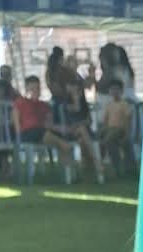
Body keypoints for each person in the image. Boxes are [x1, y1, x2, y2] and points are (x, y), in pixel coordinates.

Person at [45, 46, 100, 175]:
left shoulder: (70, 82)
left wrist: (91, 73)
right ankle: (96, 165)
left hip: (77, 124)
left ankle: (87, 168)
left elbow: (86, 86)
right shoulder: (62, 98)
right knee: (81, 131)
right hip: (67, 127)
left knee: (82, 132)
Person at [13, 75, 76, 176]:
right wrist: (18, 135)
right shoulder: (20, 102)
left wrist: (62, 129)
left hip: (43, 133)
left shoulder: (44, 105)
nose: (35, 91)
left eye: (37, 88)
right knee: (43, 133)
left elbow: (49, 124)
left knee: (55, 135)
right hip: (27, 133)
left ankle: (69, 175)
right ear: (27, 89)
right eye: (32, 88)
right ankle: (63, 145)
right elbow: (16, 122)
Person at [99, 79, 133, 176]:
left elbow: (128, 120)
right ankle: (113, 167)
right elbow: (105, 121)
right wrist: (102, 130)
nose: (114, 92)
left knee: (108, 140)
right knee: (107, 142)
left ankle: (113, 167)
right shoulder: (108, 105)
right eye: (112, 89)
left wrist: (127, 133)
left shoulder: (124, 104)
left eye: (117, 89)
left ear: (121, 91)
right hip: (109, 129)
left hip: (120, 129)